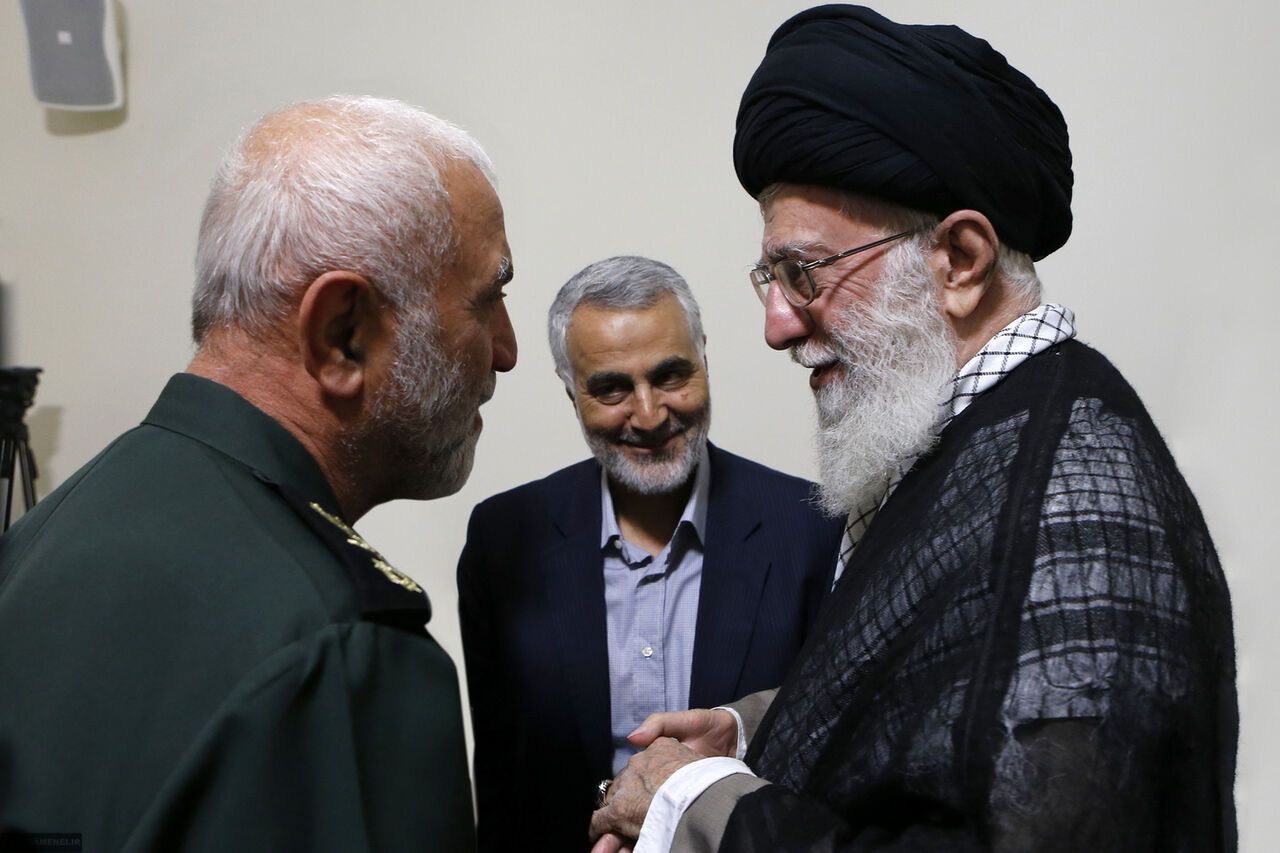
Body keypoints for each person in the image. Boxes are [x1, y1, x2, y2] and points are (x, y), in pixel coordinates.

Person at [588, 7, 1237, 852]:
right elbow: (943, 703)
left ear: (960, 259)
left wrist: (699, 800)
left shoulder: (1071, 504)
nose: (777, 325)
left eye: (803, 273)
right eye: (768, 277)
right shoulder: (972, 433)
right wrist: (754, 733)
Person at [0, 96, 516, 851]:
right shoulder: (341, 654)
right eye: (488, 298)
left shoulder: (40, 542)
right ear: (342, 333)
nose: (505, 349)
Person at [458, 256, 843, 851]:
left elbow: (835, 749)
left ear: (705, 361)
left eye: (671, 376)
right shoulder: (504, 538)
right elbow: (502, 780)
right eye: (611, 388)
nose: (649, 414)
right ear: (571, 392)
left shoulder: (814, 528)